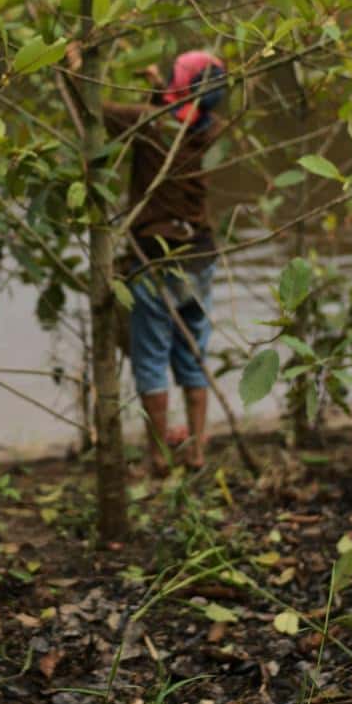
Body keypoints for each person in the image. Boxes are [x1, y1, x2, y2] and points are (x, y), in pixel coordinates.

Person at [102, 51, 228, 473]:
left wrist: (78, 62)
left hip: (156, 257)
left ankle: (157, 455)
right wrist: (160, 89)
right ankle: (194, 452)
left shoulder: (150, 126)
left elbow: (94, 108)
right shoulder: (211, 130)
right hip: (200, 257)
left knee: (151, 356)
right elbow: (177, 118)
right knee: (194, 354)